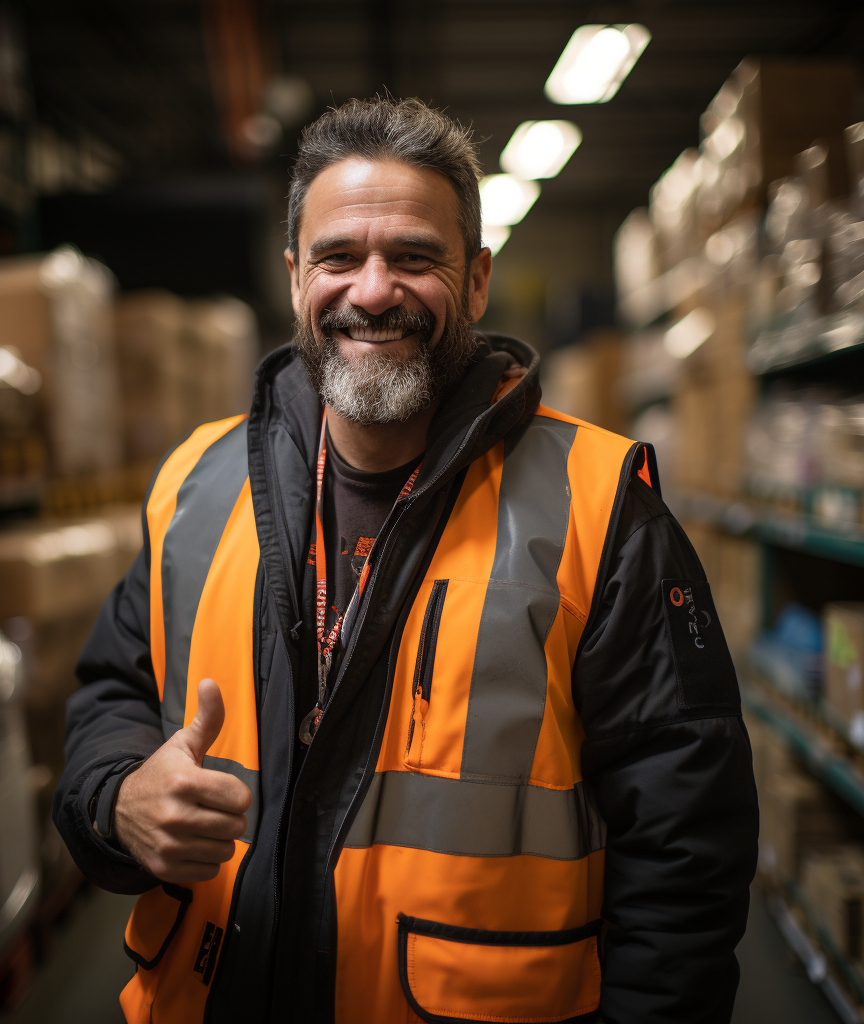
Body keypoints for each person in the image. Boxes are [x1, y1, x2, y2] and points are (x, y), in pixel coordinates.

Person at [55, 96, 758, 1024]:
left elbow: (684, 849)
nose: (374, 289)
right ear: (295, 275)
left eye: (415, 258)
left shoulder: (600, 506)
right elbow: (111, 691)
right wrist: (118, 799)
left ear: (474, 281)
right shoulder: (195, 484)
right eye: (339, 257)